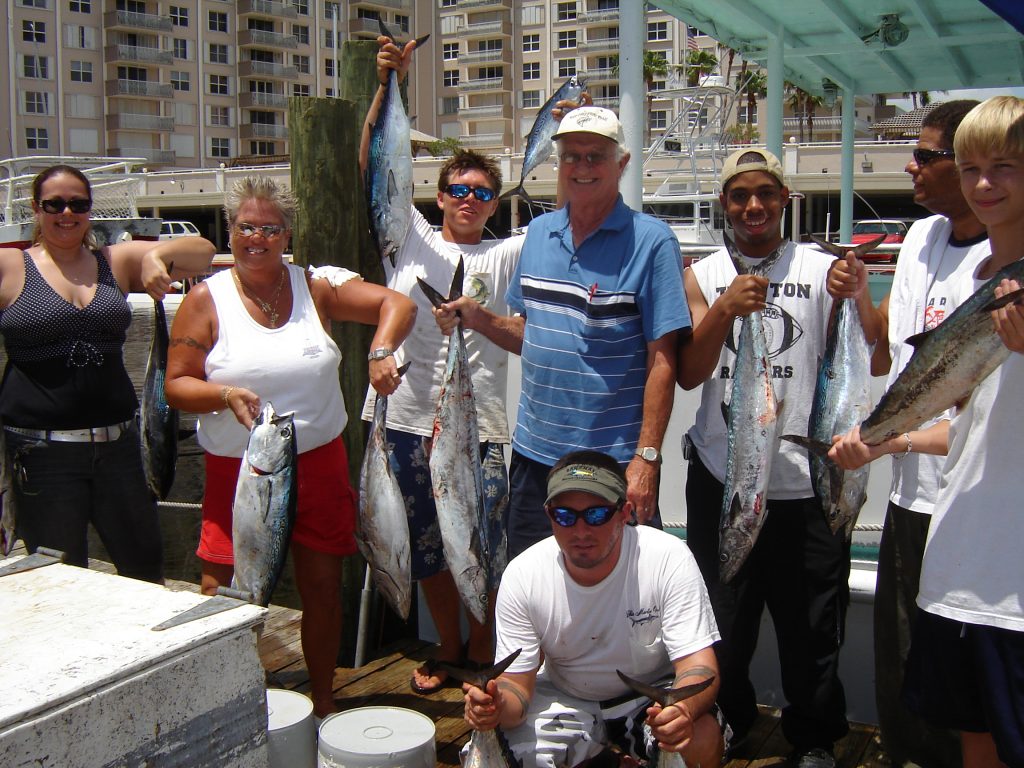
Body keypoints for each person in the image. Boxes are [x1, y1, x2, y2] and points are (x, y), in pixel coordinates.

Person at [164, 175, 416, 718]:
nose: (257, 238)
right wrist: (224, 392)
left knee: (322, 589)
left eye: (270, 228)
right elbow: (176, 385)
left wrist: (380, 348)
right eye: (245, 227)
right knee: (222, 589)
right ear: (229, 230)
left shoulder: (318, 287)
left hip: (318, 463)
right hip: (241, 469)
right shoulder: (205, 302)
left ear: (287, 233)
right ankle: (225, 706)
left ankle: (323, 701)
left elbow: (397, 304)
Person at [677, 148, 878, 768]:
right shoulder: (703, 274)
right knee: (724, 624)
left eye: (766, 193)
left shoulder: (823, 270)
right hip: (726, 478)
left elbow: (877, 356)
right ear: (725, 205)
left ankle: (815, 739)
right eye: (740, 196)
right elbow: (689, 374)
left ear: (785, 199)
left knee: (812, 627)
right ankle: (730, 723)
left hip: (806, 486)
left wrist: (861, 294)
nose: (754, 207)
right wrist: (723, 310)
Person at [436, 107, 689, 558]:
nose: (583, 166)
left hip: (610, 461)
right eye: (572, 156)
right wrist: (476, 317)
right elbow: (529, 332)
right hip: (534, 458)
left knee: (620, 591)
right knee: (535, 584)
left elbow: (663, 359)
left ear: (622, 164)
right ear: (559, 163)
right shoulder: (539, 233)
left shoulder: (653, 242)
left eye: (596, 156)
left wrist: (646, 459)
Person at [359, 36, 526, 695]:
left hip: (477, 427)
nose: (468, 199)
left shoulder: (510, 255)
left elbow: (525, 335)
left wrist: (477, 318)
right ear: (437, 196)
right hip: (401, 420)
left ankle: (482, 657)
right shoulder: (409, 239)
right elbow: (377, 162)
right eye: (457, 189)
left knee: (480, 544)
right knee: (426, 545)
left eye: (481, 192)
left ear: (493, 202)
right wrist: (387, 83)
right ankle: (448, 644)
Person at [828, 100, 986, 768]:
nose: (911, 166)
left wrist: (885, 439)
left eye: (925, 155)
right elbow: (885, 351)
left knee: (965, 681)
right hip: (909, 502)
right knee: (899, 663)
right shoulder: (920, 239)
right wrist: (859, 292)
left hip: (970, 506)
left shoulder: (1005, 262)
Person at [0, 164, 215, 582]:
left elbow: (204, 251)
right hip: (41, 454)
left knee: (145, 570)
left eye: (78, 204)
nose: (67, 213)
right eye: (55, 204)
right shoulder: (11, 265)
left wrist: (155, 255)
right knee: (60, 581)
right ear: (36, 208)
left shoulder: (113, 260)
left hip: (120, 449)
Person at [899, 95, 1024, 768]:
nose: (984, 184)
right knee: (975, 749)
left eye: (1005, 166)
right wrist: (888, 438)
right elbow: (970, 429)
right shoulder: (980, 285)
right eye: (972, 166)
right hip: (957, 567)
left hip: (1017, 586)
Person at [462, 449, 725, 768]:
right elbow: (517, 689)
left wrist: (681, 710)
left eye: (597, 514)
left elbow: (699, 665)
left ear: (624, 512)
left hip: (649, 697)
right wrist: (494, 703)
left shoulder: (667, 558)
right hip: (563, 696)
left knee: (700, 742)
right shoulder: (523, 575)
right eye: (565, 516)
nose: (581, 531)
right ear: (549, 515)